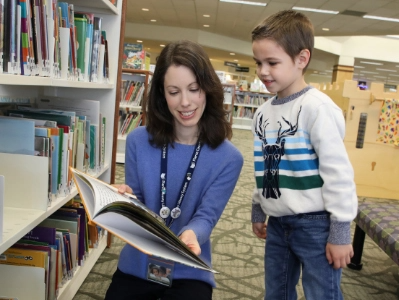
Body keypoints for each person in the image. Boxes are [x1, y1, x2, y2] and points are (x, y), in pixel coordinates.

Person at [105, 39, 243, 300]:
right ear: (161, 94)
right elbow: (142, 202)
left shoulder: (229, 158)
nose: (185, 102)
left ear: (208, 90)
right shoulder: (138, 140)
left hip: (188, 268)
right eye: (173, 91)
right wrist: (125, 199)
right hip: (138, 262)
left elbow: (206, 217)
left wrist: (190, 235)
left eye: (194, 89)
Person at [250, 10, 358, 300]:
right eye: (258, 62)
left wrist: (340, 231)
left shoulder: (318, 108)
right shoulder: (262, 113)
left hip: (316, 225)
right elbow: (262, 169)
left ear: (301, 59)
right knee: (277, 291)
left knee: (321, 292)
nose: (262, 71)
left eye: (272, 62)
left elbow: (338, 174)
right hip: (277, 223)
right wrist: (259, 207)